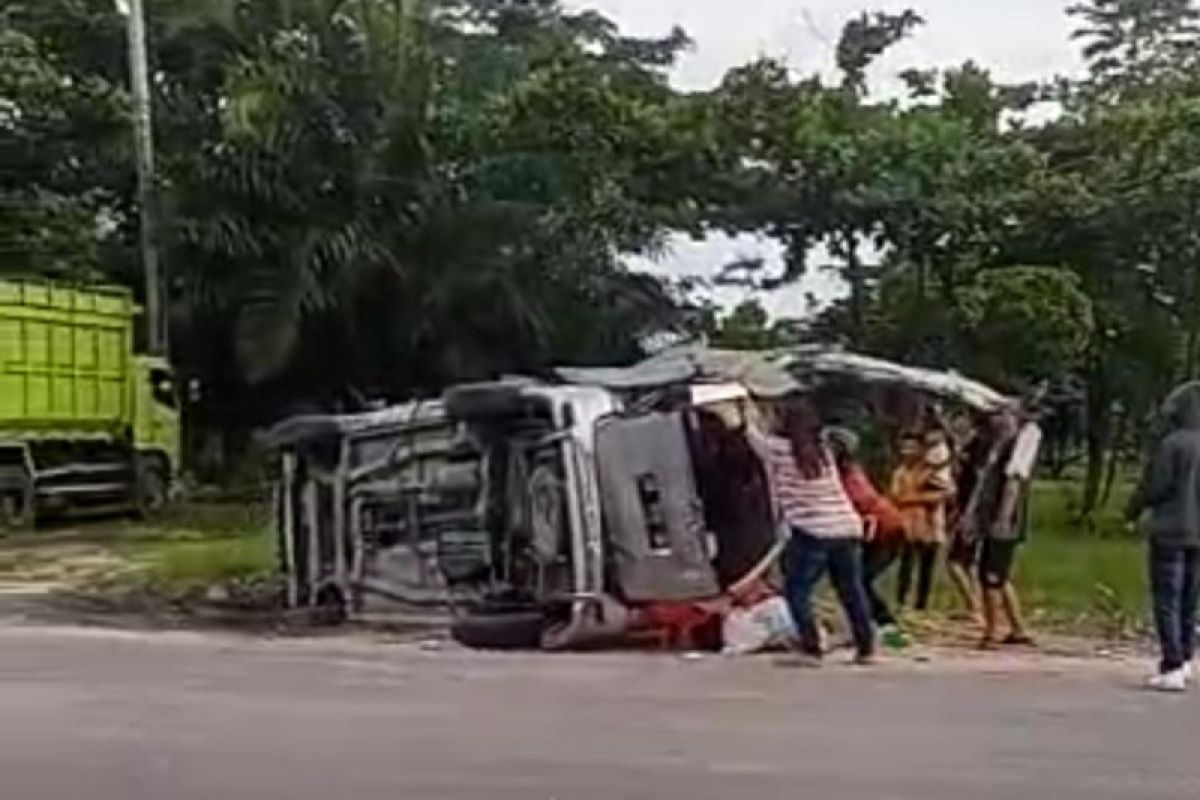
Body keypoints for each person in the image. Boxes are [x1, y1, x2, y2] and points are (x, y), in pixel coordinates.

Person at [746, 399, 875, 665]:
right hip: (847, 527)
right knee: (851, 589)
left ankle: (811, 648)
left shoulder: (778, 449)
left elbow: (750, 435)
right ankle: (866, 648)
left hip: (813, 530)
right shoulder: (823, 450)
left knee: (797, 590)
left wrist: (744, 405)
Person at [1126, 382, 1200, 692]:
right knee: (1190, 599)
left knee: (1167, 598)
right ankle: (1184, 659)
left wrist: (1132, 511)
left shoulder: (1172, 445)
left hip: (1170, 531)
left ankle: (1171, 664)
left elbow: (1155, 485)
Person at [968, 407, 1039, 650]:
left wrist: (1003, 517)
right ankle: (1018, 628)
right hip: (992, 517)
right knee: (999, 573)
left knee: (991, 576)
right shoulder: (997, 446)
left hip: (1003, 522)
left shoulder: (1019, 445)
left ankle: (992, 631)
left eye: (1002, 414)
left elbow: (1013, 483)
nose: (995, 419)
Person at [891, 433, 953, 612]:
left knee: (926, 568)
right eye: (903, 448)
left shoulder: (930, 473)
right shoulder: (900, 473)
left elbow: (946, 493)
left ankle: (921, 606)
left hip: (929, 526)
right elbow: (896, 497)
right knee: (906, 566)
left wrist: (915, 497)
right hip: (907, 524)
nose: (907, 452)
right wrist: (922, 498)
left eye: (911, 448)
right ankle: (901, 602)